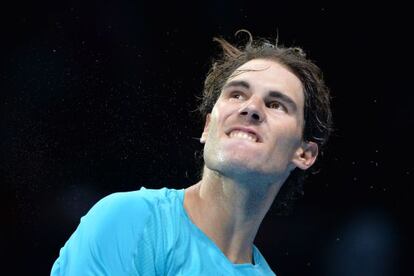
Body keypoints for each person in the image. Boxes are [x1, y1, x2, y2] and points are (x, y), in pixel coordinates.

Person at [51, 30, 332, 275]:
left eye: (275, 104)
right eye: (237, 94)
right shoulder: (132, 220)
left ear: (304, 153)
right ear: (208, 127)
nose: (251, 108)